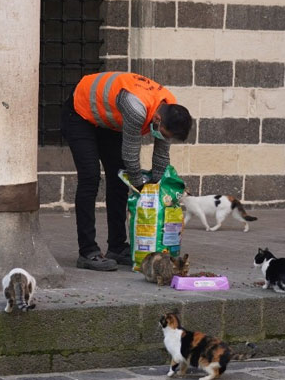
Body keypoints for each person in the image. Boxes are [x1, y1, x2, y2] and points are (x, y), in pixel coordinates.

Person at [63, 72, 193, 271]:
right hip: (80, 113)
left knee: (118, 179)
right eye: (164, 133)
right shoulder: (136, 108)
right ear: (158, 118)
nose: (163, 137)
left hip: (108, 121)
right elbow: (131, 155)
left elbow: (161, 156)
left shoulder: (170, 108)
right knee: (90, 177)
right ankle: (88, 251)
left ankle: (116, 247)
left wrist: (158, 190)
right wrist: (141, 187)